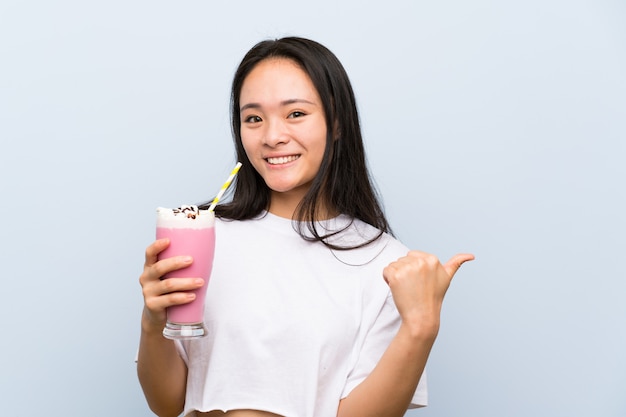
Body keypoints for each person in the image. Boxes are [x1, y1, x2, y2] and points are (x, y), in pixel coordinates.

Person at [137, 36, 474, 417]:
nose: (272, 136)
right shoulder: (201, 236)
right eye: (253, 118)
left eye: (295, 114)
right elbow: (167, 404)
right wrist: (152, 322)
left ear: (337, 124)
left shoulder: (387, 264)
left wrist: (421, 326)